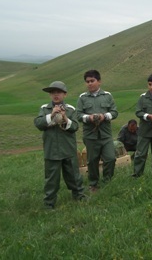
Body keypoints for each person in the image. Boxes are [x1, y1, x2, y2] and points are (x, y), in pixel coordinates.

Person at [34, 81, 86, 209]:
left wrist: (65, 118)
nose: (55, 95)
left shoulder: (70, 109)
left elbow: (75, 127)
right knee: (51, 179)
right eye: (52, 92)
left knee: (73, 175)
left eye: (58, 92)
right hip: (52, 150)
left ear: (65, 94)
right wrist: (51, 115)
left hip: (68, 148)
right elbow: (38, 124)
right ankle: (49, 203)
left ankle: (79, 195)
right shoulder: (44, 109)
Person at [76, 70, 118, 192]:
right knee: (92, 160)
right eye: (87, 82)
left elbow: (114, 112)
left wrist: (104, 116)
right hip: (90, 135)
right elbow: (78, 115)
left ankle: (107, 181)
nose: (89, 84)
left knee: (110, 158)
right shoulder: (82, 98)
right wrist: (88, 118)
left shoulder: (107, 96)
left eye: (92, 81)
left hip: (105, 134)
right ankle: (93, 184)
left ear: (99, 81)